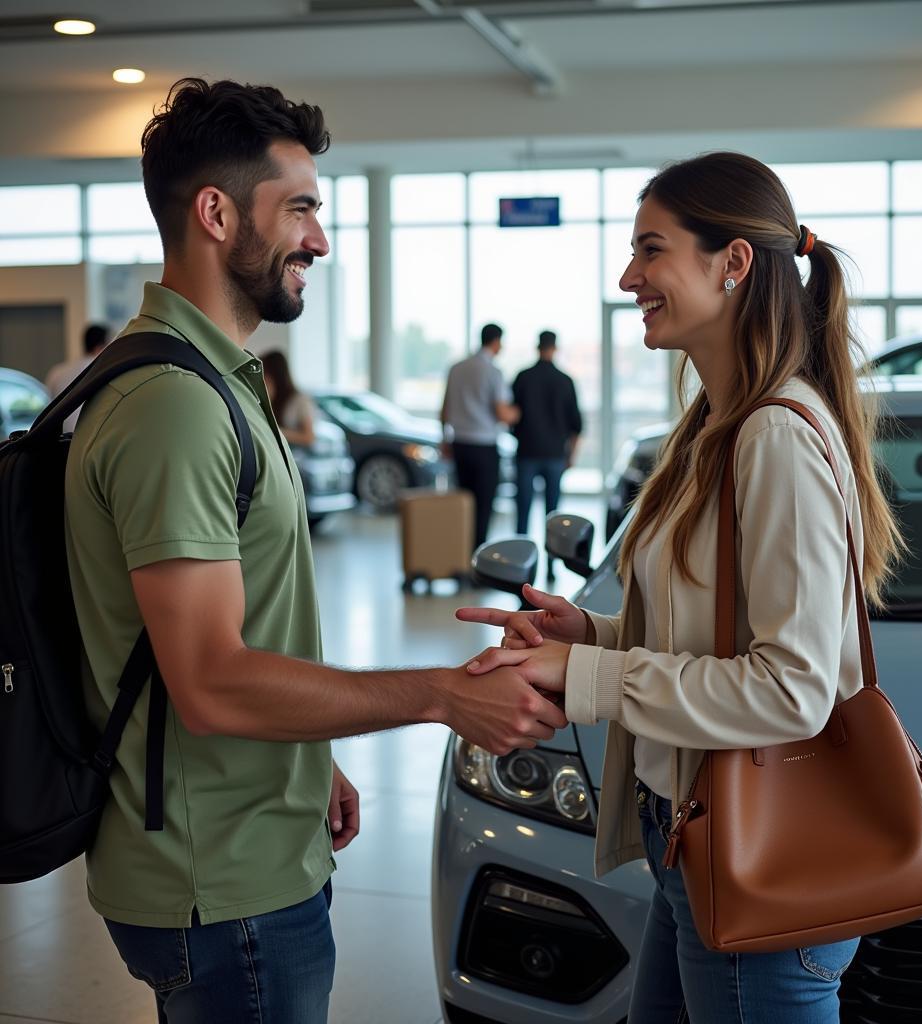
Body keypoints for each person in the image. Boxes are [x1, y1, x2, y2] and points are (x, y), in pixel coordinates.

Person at [63, 77, 566, 1024]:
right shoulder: (174, 406)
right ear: (215, 213)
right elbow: (210, 682)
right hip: (223, 881)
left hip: (251, 838)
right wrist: (443, 694)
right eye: (300, 209)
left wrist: (307, 757)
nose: (321, 240)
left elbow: (232, 635)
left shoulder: (216, 383)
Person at [456, 152, 903, 1024]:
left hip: (758, 860)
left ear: (732, 263)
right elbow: (718, 634)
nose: (629, 277)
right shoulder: (717, 426)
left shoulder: (773, 437)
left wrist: (584, 682)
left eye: (650, 250)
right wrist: (592, 633)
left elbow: (790, 690)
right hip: (694, 838)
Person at [440, 322, 519, 549]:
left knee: (463, 504)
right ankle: (477, 557)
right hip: (484, 446)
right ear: (496, 342)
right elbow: (502, 413)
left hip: (459, 444)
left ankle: (460, 554)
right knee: (483, 506)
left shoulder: (456, 368)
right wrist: (518, 413)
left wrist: (445, 439)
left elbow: (445, 408)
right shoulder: (493, 371)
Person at [511, 330, 583, 575]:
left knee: (523, 509)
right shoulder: (565, 380)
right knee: (553, 513)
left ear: (537, 346)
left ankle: (520, 563)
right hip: (555, 454)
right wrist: (571, 455)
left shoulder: (523, 377)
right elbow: (576, 424)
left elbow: (512, 416)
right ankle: (552, 565)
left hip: (526, 452)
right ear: (555, 348)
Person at [45, 322, 111, 430]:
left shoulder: (57, 371)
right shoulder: (103, 371)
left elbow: (48, 406)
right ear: (99, 347)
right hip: (90, 438)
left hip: (61, 439)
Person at [261, 348, 316, 447]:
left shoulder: (300, 400)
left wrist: (276, 432)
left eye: (265, 374)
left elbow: (309, 437)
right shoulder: (271, 397)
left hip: (297, 456)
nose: (263, 378)